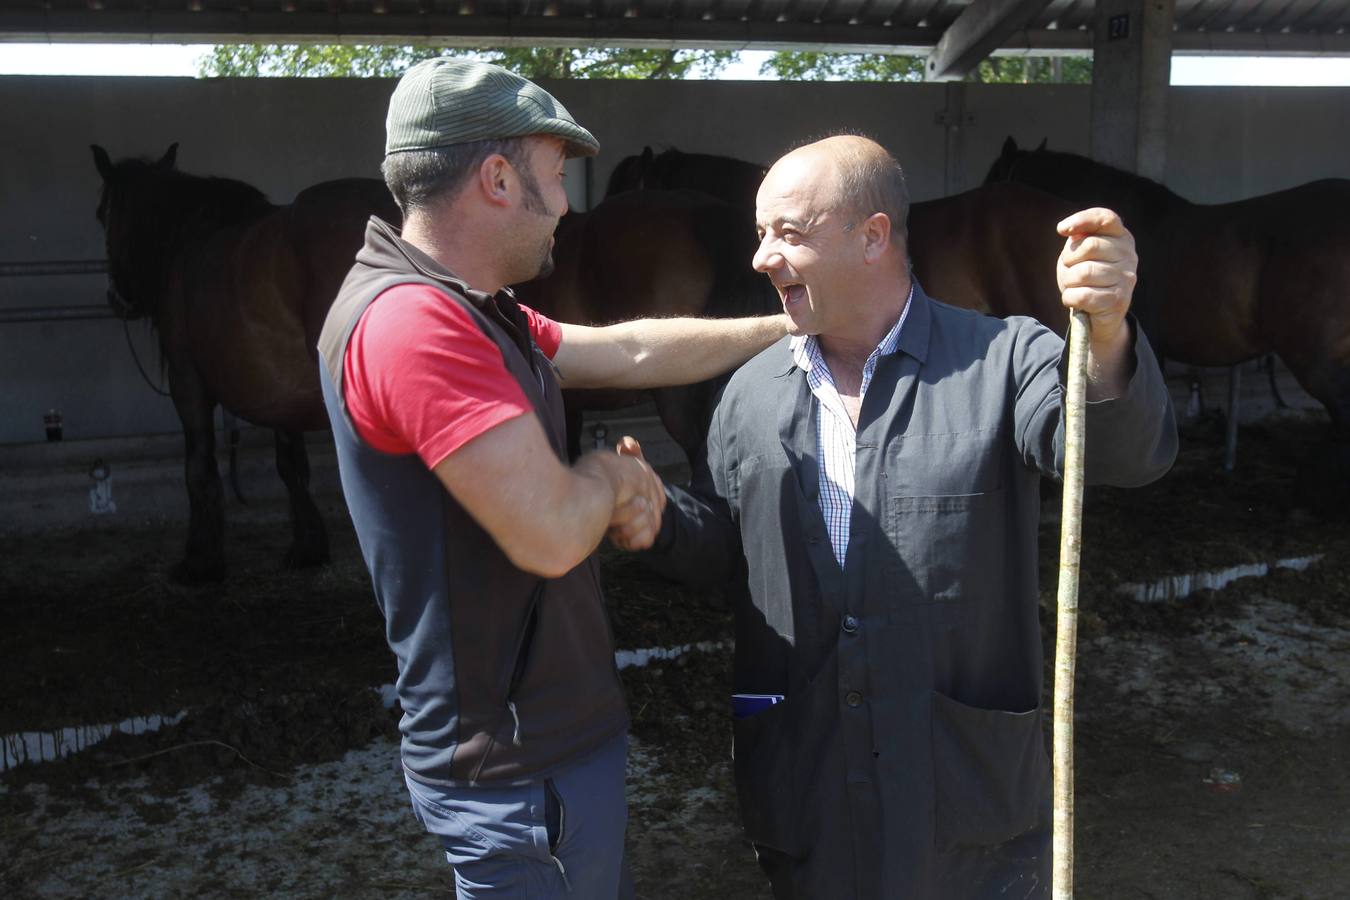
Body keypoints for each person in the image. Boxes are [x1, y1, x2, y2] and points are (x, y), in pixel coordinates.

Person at [629, 134, 1178, 898]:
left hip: (959, 787)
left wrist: (1108, 330)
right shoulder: (748, 394)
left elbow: (1124, 455)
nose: (760, 258)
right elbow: (729, 554)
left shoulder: (1002, 359)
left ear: (873, 236)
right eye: (760, 234)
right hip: (805, 778)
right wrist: (655, 517)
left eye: (787, 233)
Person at [315, 59, 787, 898]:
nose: (567, 202)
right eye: (555, 175)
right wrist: (614, 479)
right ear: (497, 179)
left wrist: (787, 328)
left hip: (543, 748)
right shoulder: (414, 325)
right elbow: (547, 529)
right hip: (515, 768)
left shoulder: (470, 305)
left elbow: (631, 349)